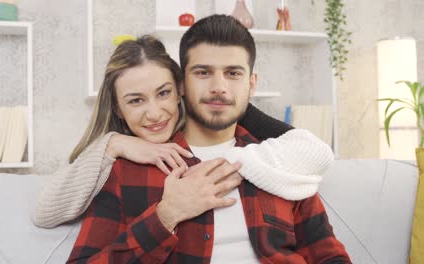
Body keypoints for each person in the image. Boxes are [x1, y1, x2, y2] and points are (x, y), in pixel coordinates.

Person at [66, 15, 350, 263]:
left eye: (233, 73)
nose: (218, 88)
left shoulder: (283, 159)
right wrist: (165, 216)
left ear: (251, 84)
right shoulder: (128, 168)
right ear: (181, 83)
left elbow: (328, 255)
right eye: (203, 73)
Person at [32, 40, 332, 228]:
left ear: (180, 90)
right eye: (136, 100)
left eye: (163, 93)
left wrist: (235, 161)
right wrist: (114, 144)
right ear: (119, 109)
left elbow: (312, 148)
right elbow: (44, 213)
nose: (154, 113)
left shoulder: (222, 119)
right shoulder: (114, 162)